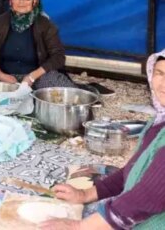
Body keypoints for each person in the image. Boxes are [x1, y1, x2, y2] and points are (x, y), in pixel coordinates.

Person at [39, 50, 165, 230]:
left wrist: (79, 226)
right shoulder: (157, 123)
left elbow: (146, 198)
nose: (163, 83)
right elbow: (131, 172)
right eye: (160, 73)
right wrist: (83, 195)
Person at [0, 0, 75, 89]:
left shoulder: (45, 24)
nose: (21, 1)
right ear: (11, 1)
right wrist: (0, 75)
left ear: (35, 0)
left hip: (36, 78)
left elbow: (58, 57)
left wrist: (32, 77)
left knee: (58, 86)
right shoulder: (0, 22)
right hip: (5, 78)